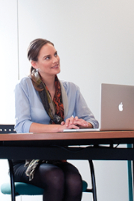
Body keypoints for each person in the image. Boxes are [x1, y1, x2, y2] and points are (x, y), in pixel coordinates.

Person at [14, 38, 98, 201]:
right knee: (55, 177)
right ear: (34, 64)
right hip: (27, 161)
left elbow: (93, 122)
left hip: (56, 157)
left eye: (56, 54)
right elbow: (22, 125)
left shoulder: (71, 89)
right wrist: (59, 128)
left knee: (74, 181)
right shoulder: (24, 86)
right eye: (48, 57)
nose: (55, 60)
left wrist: (82, 124)